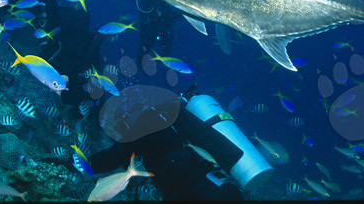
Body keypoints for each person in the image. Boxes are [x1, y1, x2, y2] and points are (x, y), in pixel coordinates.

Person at [87, 85, 272, 201]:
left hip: (186, 193)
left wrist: (79, 164)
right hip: (219, 186)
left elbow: (111, 158)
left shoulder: (140, 127)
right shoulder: (171, 114)